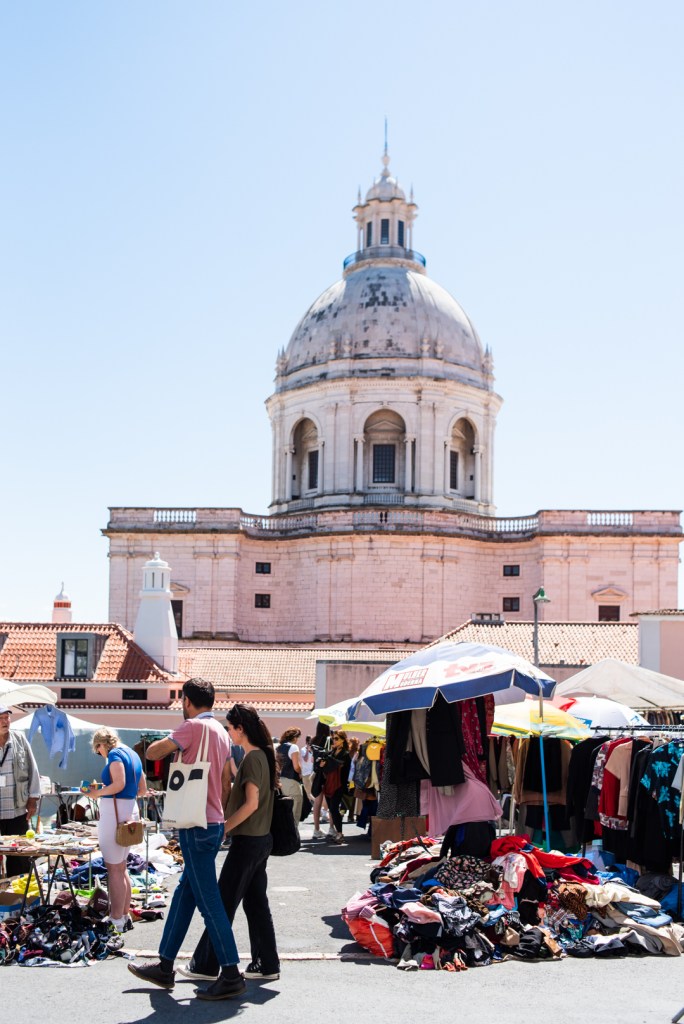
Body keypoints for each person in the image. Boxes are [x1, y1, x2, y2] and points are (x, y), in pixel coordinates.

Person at [128, 677, 244, 1001]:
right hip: (213, 821)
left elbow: (153, 752)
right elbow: (225, 783)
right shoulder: (221, 732)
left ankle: (232, 972)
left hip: (195, 824)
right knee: (185, 894)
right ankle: (165, 965)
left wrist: (168, 742)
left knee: (209, 902)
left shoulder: (192, 728)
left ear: (187, 702)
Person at [180, 703, 280, 984]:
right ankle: (266, 963)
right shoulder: (264, 756)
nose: (228, 732)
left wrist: (224, 829)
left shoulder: (252, 759)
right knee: (256, 904)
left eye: (230, 727)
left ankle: (206, 965)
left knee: (223, 904)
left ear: (241, 729)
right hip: (262, 841)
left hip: (247, 842)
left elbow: (250, 804)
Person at [87, 727, 146, 931]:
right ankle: (124, 914)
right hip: (130, 810)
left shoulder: (114, 754)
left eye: (98, 751)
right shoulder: (132, 753)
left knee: (114, 868)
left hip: (115, 812)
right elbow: (142, 789)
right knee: (121, 867)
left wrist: (98, 793)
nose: (99, 754)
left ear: (101, 745)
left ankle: (116, 919)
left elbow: (119, 783)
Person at [0, 706, 41, 876]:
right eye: (0, 718)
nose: (5, 721)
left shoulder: (19, 739)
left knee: (19, 856)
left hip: (17, 808)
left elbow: (33, 769)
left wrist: (33, 799)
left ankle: (18, 897)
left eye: (7, 718)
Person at [319, 730, 351, 845]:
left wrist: (328, 763)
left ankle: (340, 833)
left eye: (337, 738)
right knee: (332, 810)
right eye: (333, 738)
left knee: (333, 809)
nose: (334, 740)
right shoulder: (331, 752)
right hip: (328, 784)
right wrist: (322, 764)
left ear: (343, 740)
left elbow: (340, 767)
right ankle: (338, 832)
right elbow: (327, 767)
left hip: (338, 785)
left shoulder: (345, 754)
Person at [276, 728, 303, 828]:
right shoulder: (294, 747)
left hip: (281, 781)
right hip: (292, 780)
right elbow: (296, 767)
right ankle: (293, 837)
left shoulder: (279, 748)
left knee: (285, 811)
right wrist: (301, 772)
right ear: (295, 737)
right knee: (294, 810)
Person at [310, 721, 331, 840]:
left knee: (317, 802)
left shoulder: (314, 740)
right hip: (328, 773)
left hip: (317, 773)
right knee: (330, 801)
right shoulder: (329, 740)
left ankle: (316, 829)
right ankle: (332, 828)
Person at [300, 735, 314, 799]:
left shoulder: (313, 749)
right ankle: (312, 806)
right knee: (308, 792)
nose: (310, 743)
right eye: (309, 742)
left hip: (312, 773)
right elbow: (305, 759)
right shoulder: (303, 749)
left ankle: (315, 805)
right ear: (306, 742)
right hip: (305, 773)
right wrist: (308, 750)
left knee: (314, 791)